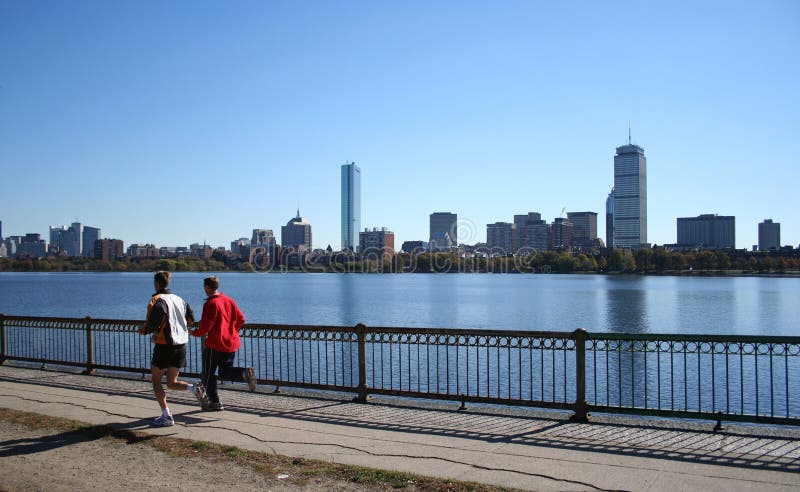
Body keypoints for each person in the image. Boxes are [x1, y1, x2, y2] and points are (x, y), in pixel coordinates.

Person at [139, 271, 208, 426]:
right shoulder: (180, 299)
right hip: (181, 345)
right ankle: (194, 388)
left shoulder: (157, 299)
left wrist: (145, 330)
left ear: (156, 284)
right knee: (171, 382)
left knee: (156, 380)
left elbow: (156, 319)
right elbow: (191, 319)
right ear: (167, 283)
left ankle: (166, 415)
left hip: (165, 345)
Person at [190, 275, 256, 411]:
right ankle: (244, 373)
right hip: (230, 342)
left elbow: (206, 327)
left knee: (208, 374)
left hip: (215, 344)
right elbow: (241, 318)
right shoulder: (229, 300)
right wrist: (232, 330)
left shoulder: (210, 303)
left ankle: (215, 402)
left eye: (204, 287)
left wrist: (193, 333)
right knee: (225, 372)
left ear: (207, 287)